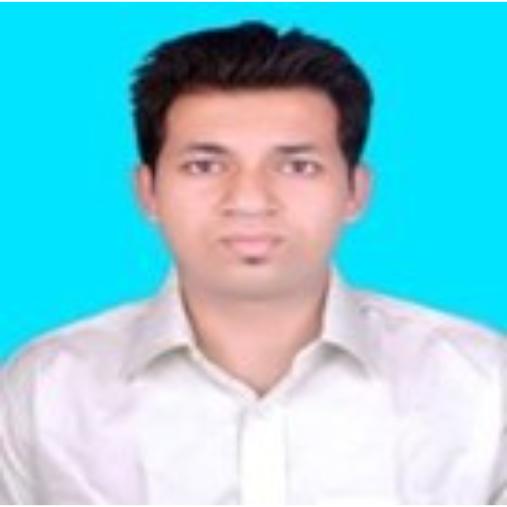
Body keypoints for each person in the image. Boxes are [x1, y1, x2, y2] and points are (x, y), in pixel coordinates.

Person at [0, 20, 505, 505]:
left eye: (297, 166)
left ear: (355, 191)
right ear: (148, 191)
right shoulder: (45, 391)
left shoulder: (483, 388)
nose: (249, 201)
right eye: (204, 165)